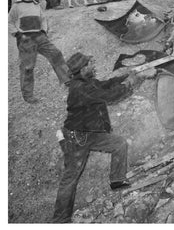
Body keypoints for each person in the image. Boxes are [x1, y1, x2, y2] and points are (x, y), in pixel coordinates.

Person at [52, 52, 156, 223]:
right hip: (76, 138)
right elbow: (112, 96)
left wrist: (131, 74)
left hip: (89, 134)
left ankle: (117, 180)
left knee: (119, 144)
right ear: (83, 69)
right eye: (90, 63)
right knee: (70, 177)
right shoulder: (80, 89)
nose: (93, 65)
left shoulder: (87, 82)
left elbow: (107, 85)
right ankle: (59, 220)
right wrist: (138, 79)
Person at [8, 0, 71, 104]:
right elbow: (9, 22)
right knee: (28, 67)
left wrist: (44, 31)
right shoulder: (16, 6)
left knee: (56, 54)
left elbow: (43, 19)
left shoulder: (36, 5)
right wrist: (18, 35)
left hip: (40, 37)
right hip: (26, 40)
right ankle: (28, 95)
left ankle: (67, 80)